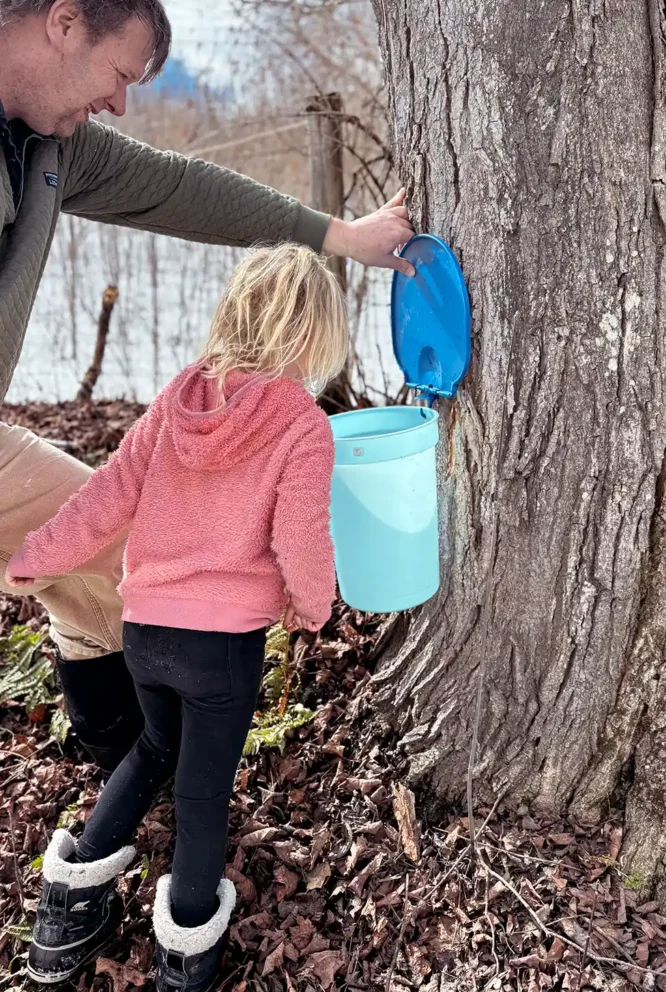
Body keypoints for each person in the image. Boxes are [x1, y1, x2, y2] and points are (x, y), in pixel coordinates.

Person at [0, 0, 414, 776]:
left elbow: (181, 188)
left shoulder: (53, 147)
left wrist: (340, 237)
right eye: (118, 73)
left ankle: (133, 775)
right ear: (62, 22)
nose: (119, 102)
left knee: (119, 561)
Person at [7, 243, 346, 992]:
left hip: (146, 630)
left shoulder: (178, 397)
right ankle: (185, 956)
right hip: (221, 649)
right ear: (311, 334)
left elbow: (108, 496)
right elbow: (302, 537)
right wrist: (314, 605)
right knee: (200, 793)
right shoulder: (301, 424)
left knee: (154, 746)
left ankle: (65, 912)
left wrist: (37, 556)